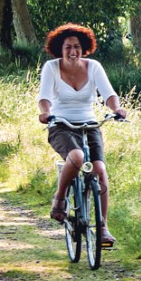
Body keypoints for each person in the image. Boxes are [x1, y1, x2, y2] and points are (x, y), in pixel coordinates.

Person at [37, 23, 127, 247]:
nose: (72, 51)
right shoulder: (51, 67)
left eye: (76, 46)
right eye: (67, 47)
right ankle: (59, 199)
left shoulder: (94, 67)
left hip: (89, 123)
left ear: (84, 48)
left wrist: (116, 109)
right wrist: (45, 113)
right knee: (76, 157)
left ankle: (103, 226)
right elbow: (45, 96)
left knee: (99, 169)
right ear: (60, 48)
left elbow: (109, 94)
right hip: (60, 124)